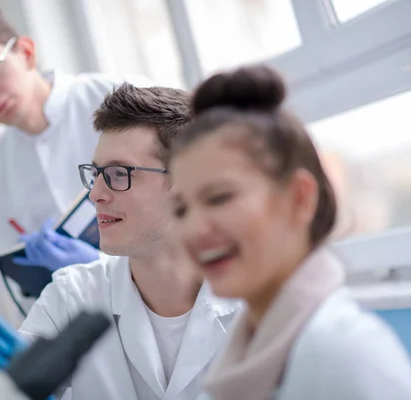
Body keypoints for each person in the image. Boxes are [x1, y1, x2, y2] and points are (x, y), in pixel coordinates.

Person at [0, 84, 241, 400]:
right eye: (95, 174)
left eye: (119, 174)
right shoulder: (71, 296)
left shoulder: (255, 300)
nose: (96, 194)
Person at [168, 65, 411, 400]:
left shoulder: (344, 354)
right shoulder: (245, 356)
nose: (194, 227)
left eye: (219, 197)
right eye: (181, 209)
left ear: (299, 198)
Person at [0, 0, 151, 324]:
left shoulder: (124, 97)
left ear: (27, 52)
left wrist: (106, 267)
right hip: (91, 332)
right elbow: (17, 283)